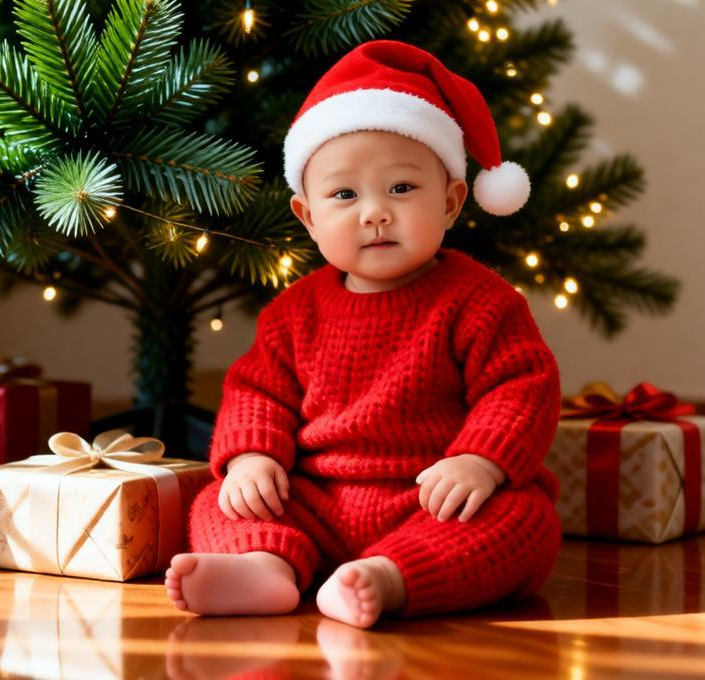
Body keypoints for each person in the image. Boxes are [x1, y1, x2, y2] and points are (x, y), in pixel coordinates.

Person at [166, 40, 562, 629]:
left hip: (434, 498)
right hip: (317, 499)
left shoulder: (481, 300)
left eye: (402, 189)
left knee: (524, 520)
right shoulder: (294, 312)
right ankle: (264, 566)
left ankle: (391, 577)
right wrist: (251, 457)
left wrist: (481, 462)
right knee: (218, 498)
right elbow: (257, 393)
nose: (374, 212)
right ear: (308, 216)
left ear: (452, 201)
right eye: (345, 195)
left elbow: (521, 386)